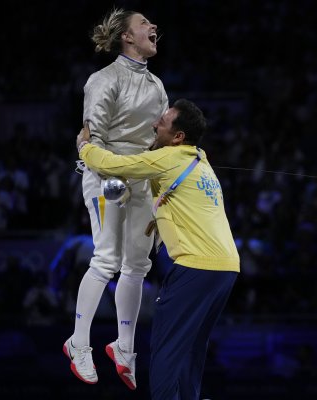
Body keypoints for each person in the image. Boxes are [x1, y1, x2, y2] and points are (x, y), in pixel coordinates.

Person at [76, 99, 240, 400]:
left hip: (196, 268)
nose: (155, 124)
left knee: (166, 346)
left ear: (178, 137)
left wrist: (85, 148)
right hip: (226, 268)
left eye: (162, 123)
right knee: (192, 345)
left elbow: (114, 165)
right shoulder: (199, 158)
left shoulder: (169, 157)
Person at [63, 7, 168, 390]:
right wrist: (110, 178)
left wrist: (158, 186)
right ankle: (78, 343)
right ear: (127, 36)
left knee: (137, 265)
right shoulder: (103, 79)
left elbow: (160, 141)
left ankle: (124, 346)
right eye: (144, 24)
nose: (153, 26)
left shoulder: (156, 84)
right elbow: (93, 137)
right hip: (105, 177)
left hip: (142, 180)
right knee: (106, 258)